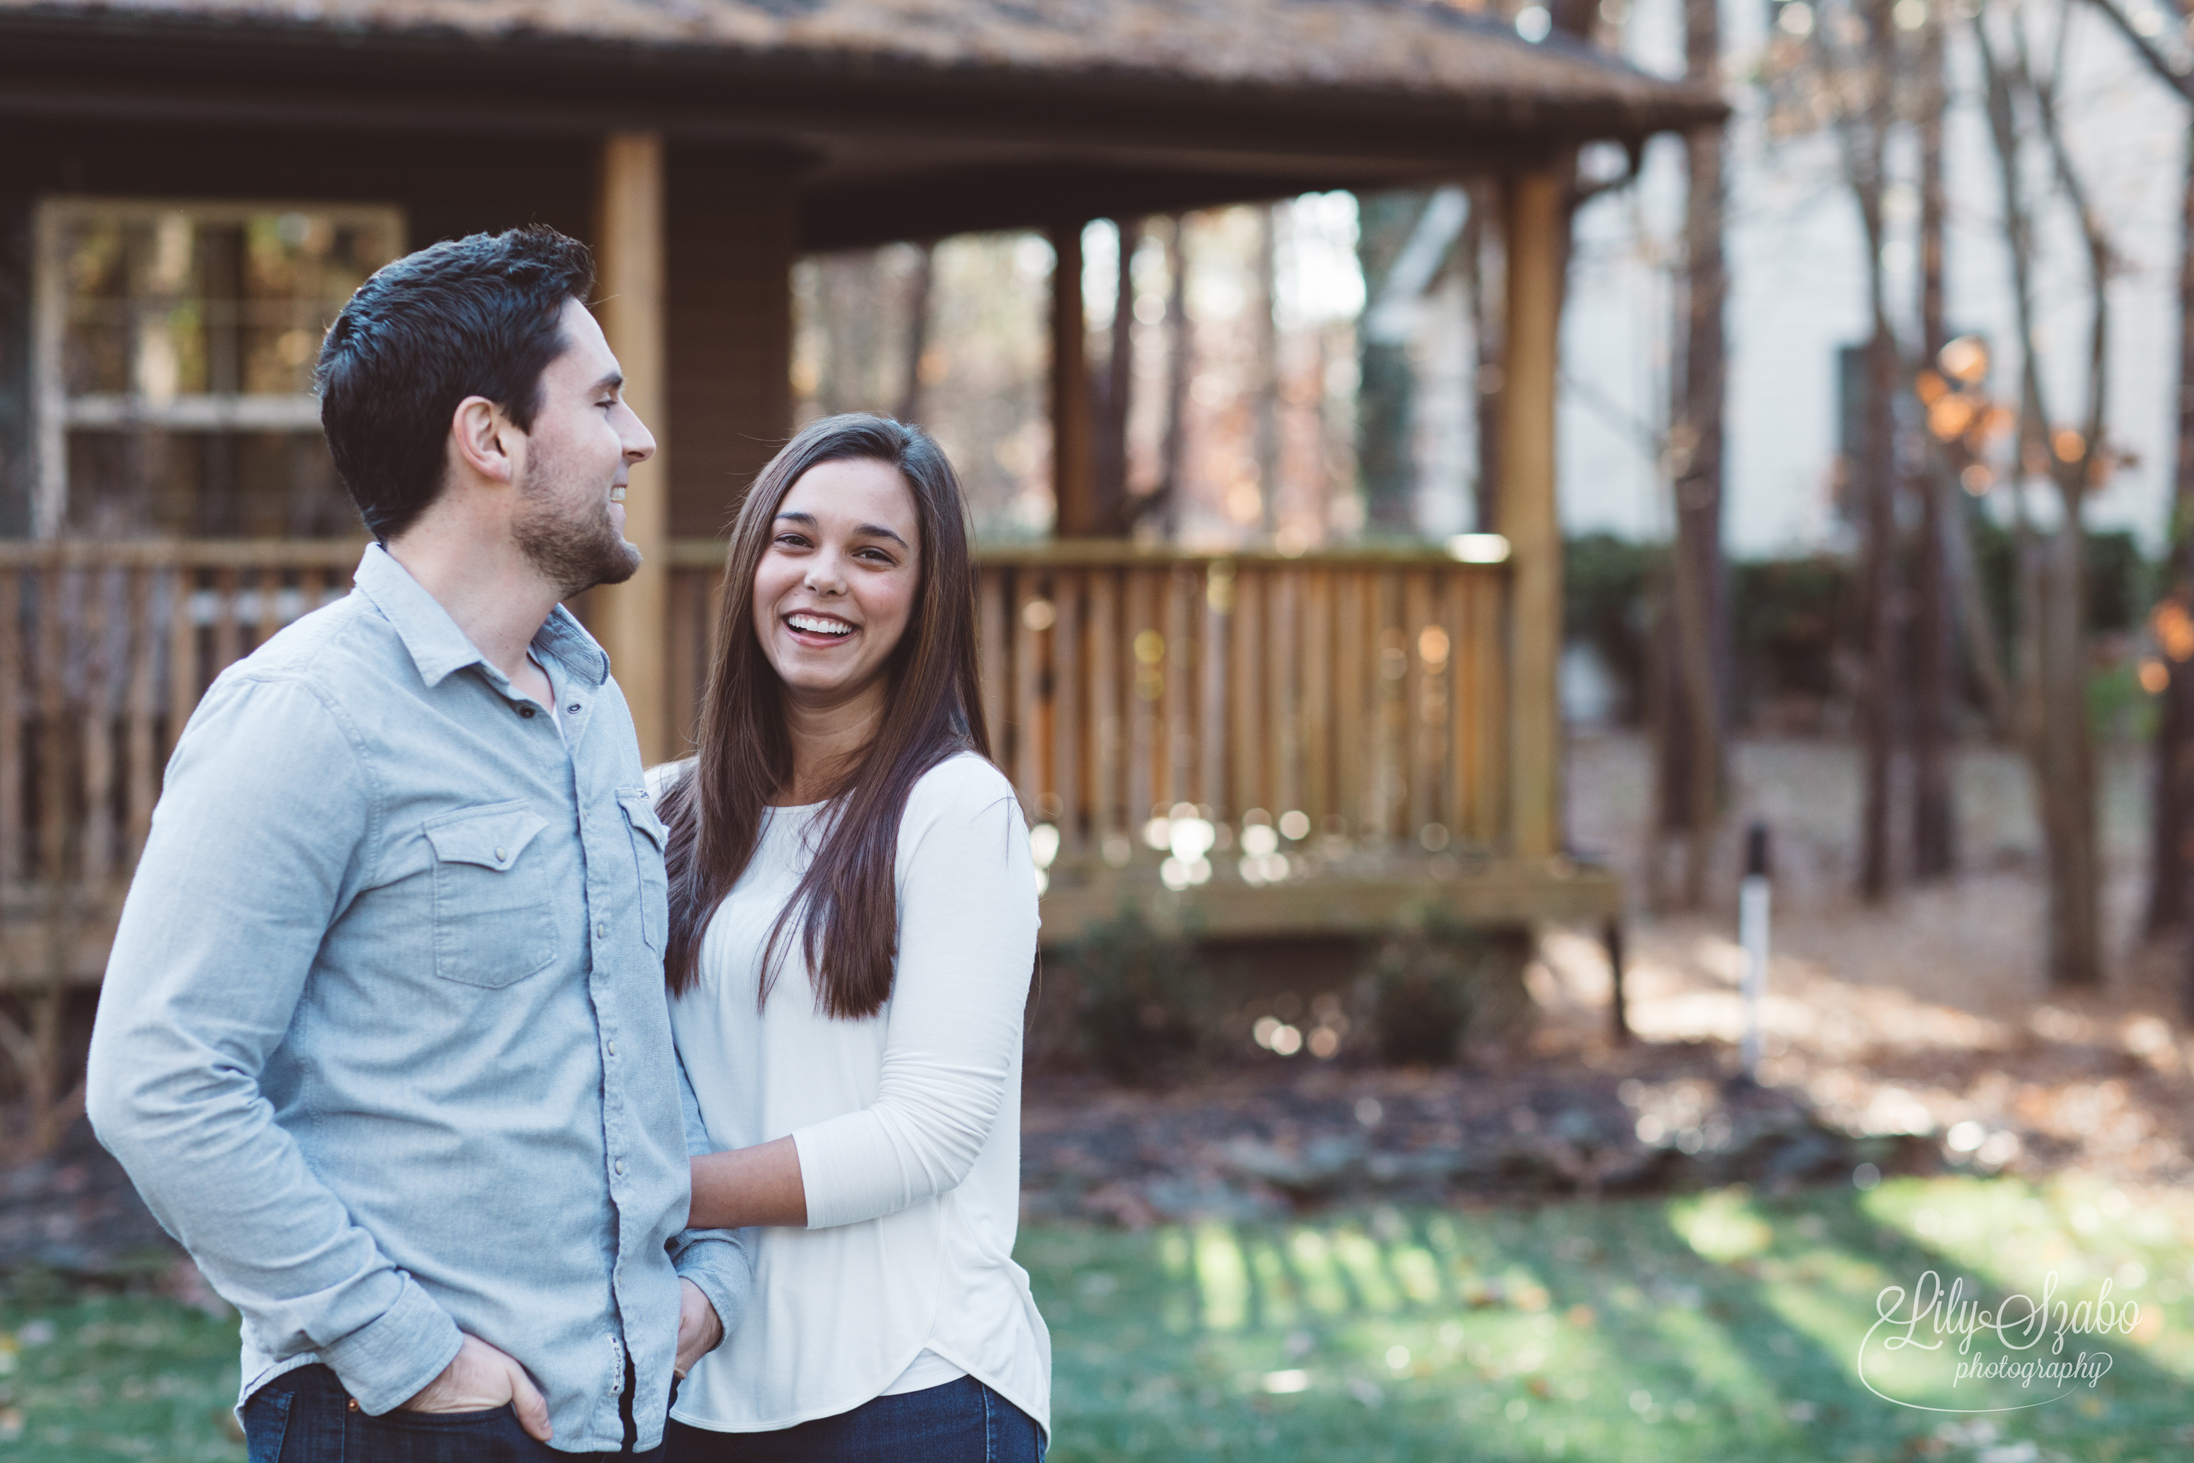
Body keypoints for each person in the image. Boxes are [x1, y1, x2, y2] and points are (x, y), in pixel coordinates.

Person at [85, 225, 747, 1462]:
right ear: (489, 436)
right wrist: (413, 1353)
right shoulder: (304, 714)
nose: (638, 439)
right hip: (400, 1422)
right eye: (603, 401)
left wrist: (708, 1280)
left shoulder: (588, 704)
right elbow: (160, 1082)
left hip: (617, 1412)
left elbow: (626, 1033)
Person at [654, 414, 1048, 1461]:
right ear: (752, 565)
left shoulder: (956, 810)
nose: (823, 576)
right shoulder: (658, 812)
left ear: (925, 598)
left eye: (872, 554)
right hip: (691, 1381)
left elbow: (925, 1132)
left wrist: (647, 1184)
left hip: (912, 1384)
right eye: (795, 540)